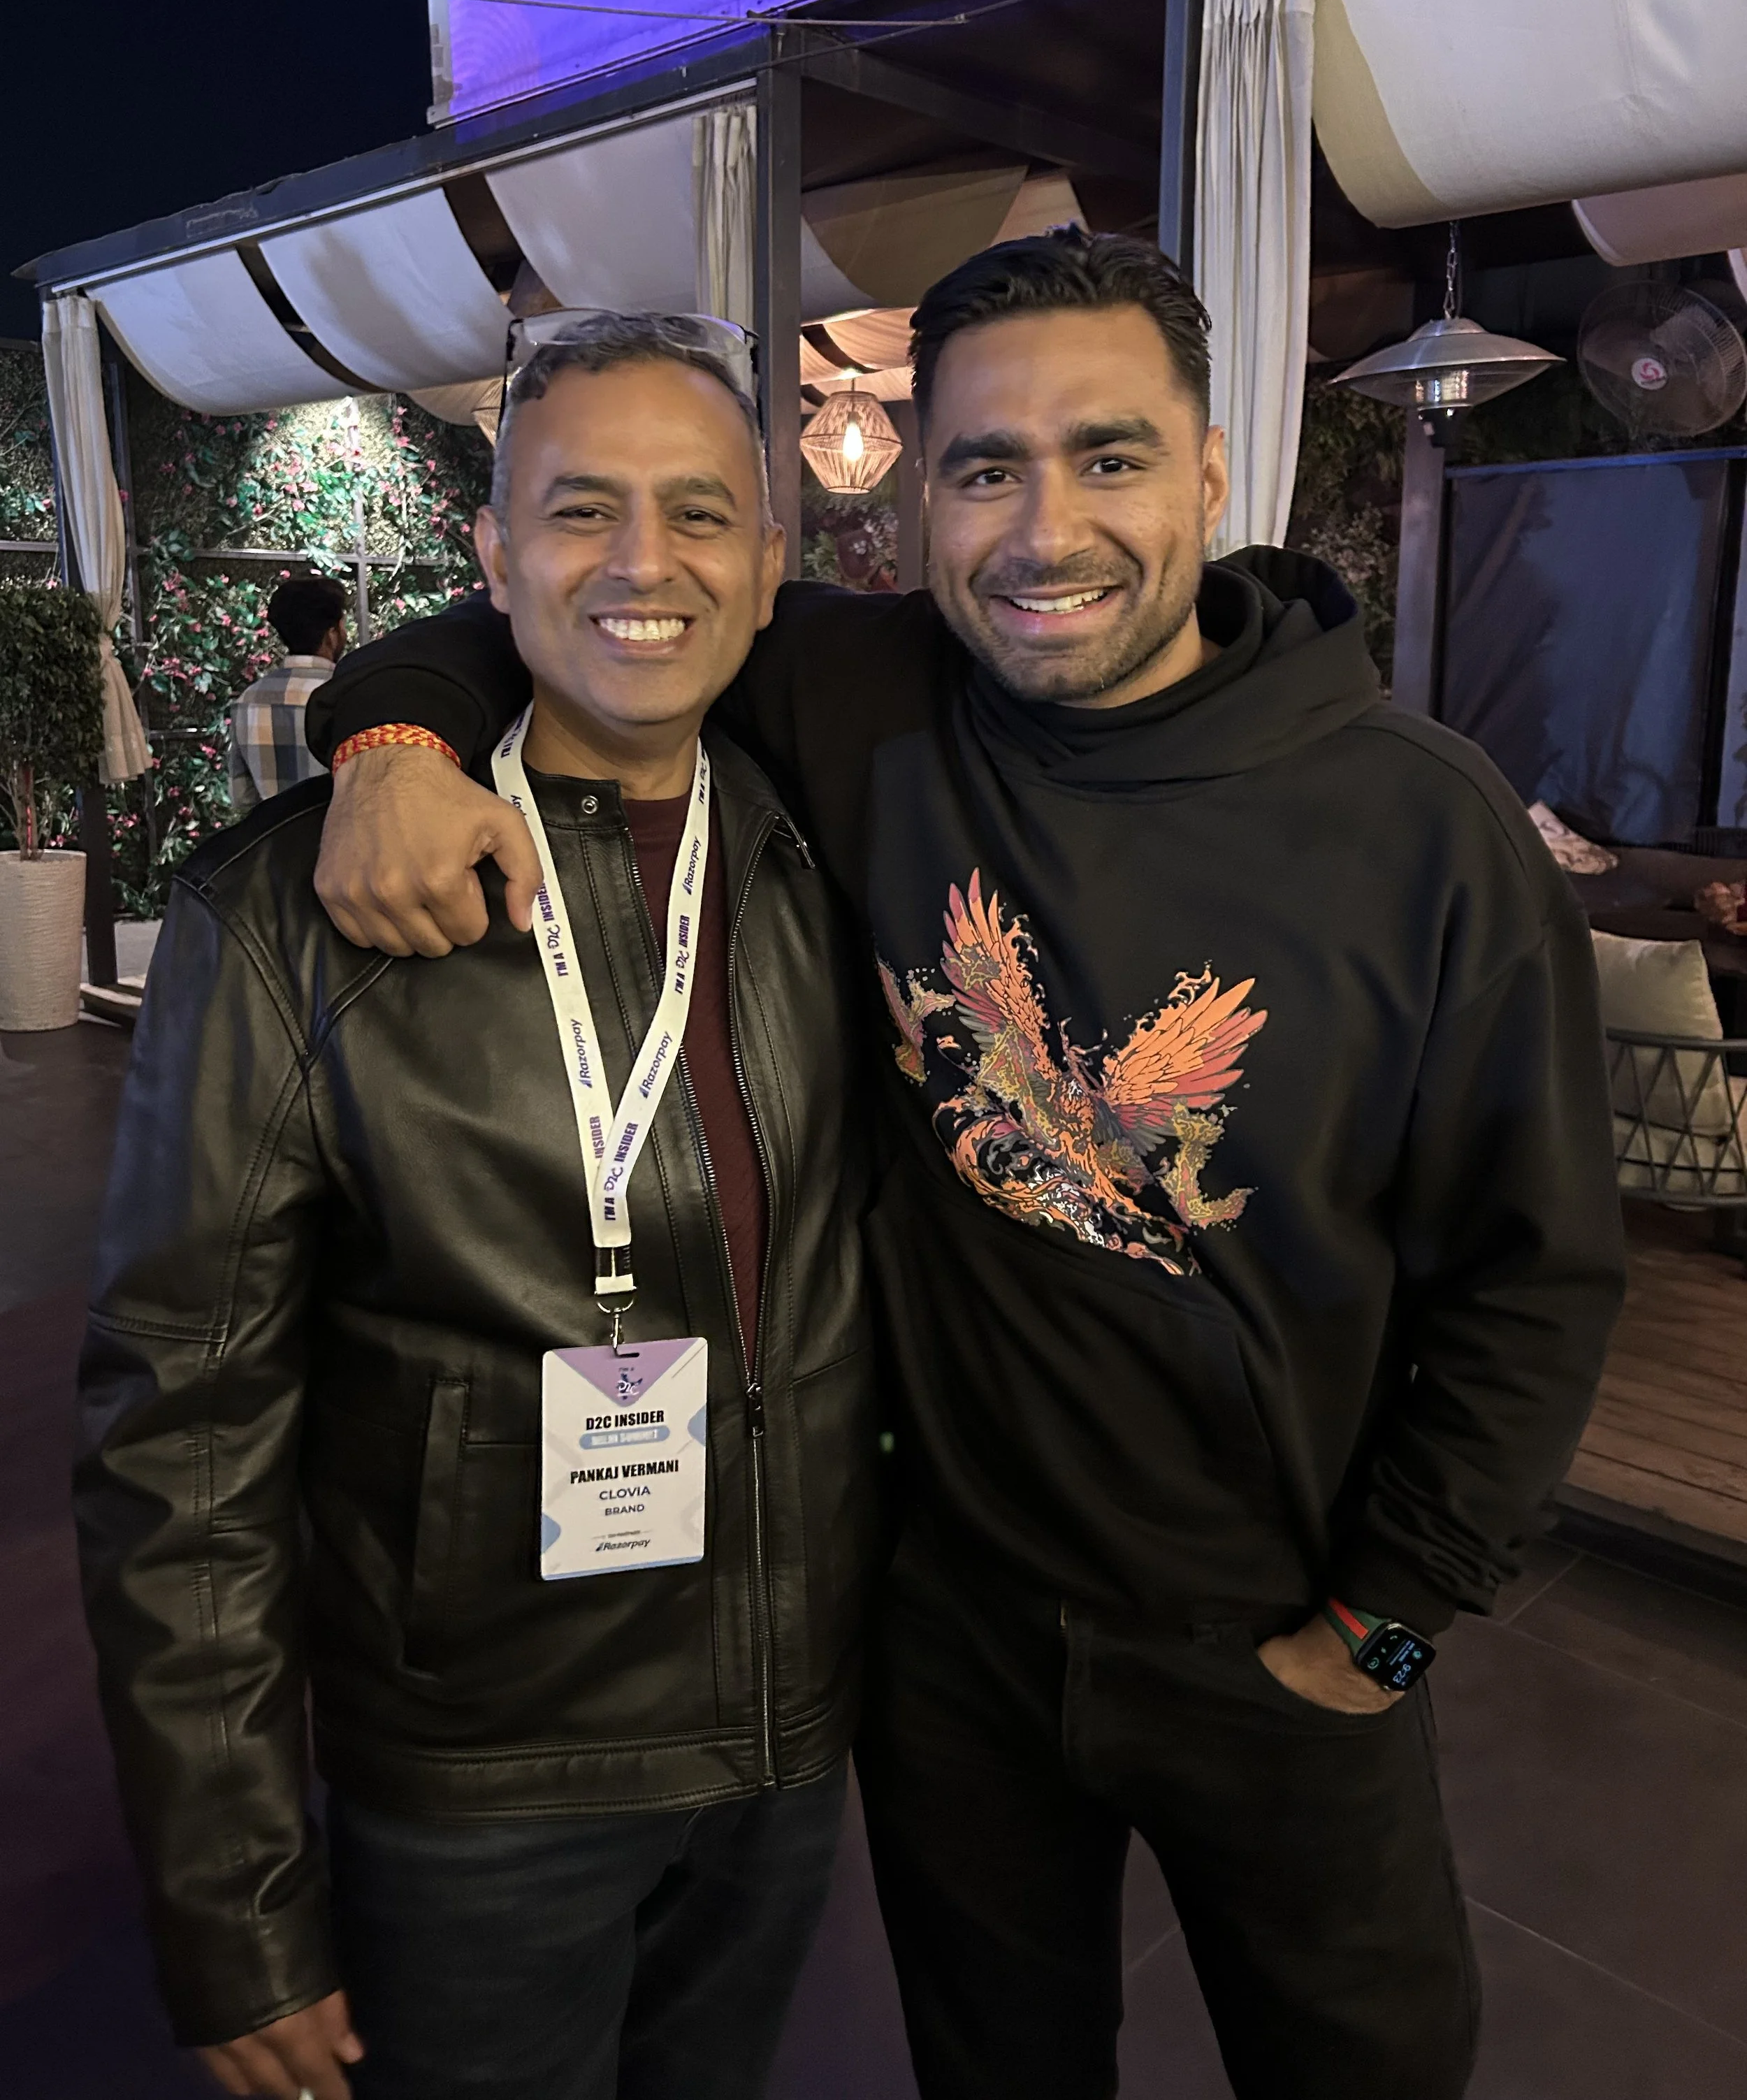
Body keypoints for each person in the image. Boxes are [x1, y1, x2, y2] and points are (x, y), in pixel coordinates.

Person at [303, 233, 1625, 2100]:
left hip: (1283, 1634)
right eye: (984, 466)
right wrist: (381, 736)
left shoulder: (1420, 820)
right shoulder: (864, 698)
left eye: (1106, 456)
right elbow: (576, 598)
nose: (1040, 528)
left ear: (1209, 473)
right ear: (920, 492)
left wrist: (1387, 1625)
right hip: (948, 1640)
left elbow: (1539, 1265)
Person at [75, 316, 878, 2100]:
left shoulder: (832, 851)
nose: (644, 563)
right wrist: (234, 1901)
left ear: (767, 560)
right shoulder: (289, 916)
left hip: (782, 1745)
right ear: (493, 555)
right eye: (581, 511)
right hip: (477, 1773)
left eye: (697, 512)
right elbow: (176, 1437)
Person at [227, 574, 351, 811]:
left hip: (280, 846)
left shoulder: (249, 701)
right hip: (344, 842)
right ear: (332, 634)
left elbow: (242, 799)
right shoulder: (347, 694)